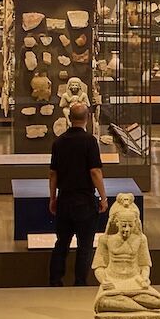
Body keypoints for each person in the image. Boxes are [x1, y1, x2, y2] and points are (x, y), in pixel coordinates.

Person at [48, 102, 109, 286]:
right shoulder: (90, 141)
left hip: (65, 199)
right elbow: (95, 171)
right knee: (85, 245)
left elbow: (53, 174)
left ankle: (55, 280)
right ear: (88, 117)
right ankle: (80, 282)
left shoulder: (59, 142)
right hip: (85, 201)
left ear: (69, 117)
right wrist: (103, 197)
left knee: (61, 243)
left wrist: (53, 198)